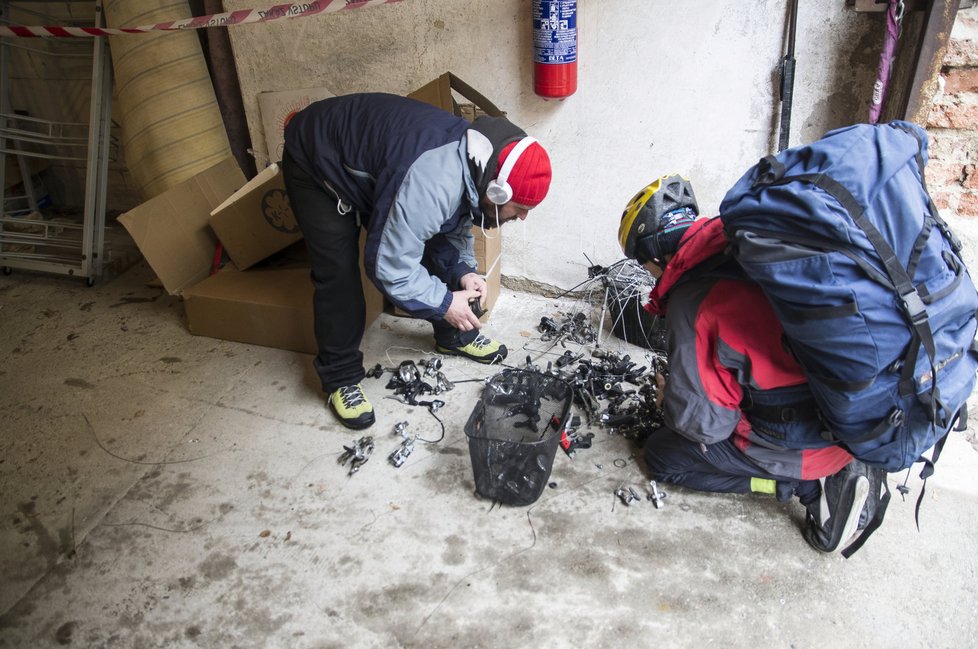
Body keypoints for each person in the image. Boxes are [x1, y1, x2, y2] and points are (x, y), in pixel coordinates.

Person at [618, 174, 885, 555]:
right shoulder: (745, 243)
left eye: (645, 266)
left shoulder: (694, 300)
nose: (648, 276)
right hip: (857, 414)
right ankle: (847, 464)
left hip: (807, 443)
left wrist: (669, 401)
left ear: (658, 256)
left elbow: (708, 427)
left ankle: (805, 487)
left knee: (664, 455)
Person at [282, 93, 552, 430]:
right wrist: (443, 303)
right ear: (496, 192)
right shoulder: (431, 182)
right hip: (318, 160)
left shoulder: (474, 166)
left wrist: (464, 272)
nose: (524, 217)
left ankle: (453, 338)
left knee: (439, 250)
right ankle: (340, 378)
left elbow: (450, 229)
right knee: (338, 272)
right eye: (521, 207)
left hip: (375, 164)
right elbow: (388, 267)